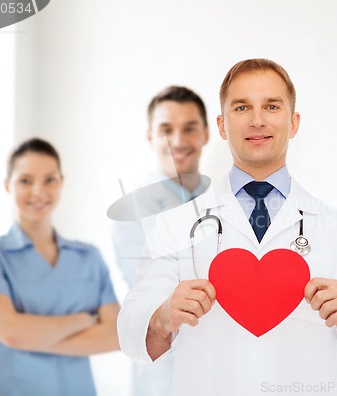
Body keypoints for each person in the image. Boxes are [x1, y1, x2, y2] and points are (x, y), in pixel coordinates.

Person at [117, 58, 337, 396]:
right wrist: (161, 317)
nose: (257, 120)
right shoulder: (176, 225)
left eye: (272, 106)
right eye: (241, 107)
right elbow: (132, 332)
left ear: (294, 123)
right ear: (221, 126)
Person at [0, 138, 120, 396]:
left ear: (61, 183)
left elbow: (116, 335)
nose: (38, 191)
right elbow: (11, 333)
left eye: (49, 179)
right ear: (8, 186)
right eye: (25, 180)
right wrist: (83, 320)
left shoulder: (89, 257)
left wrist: (30, 337)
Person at [111, 86, 210, 395]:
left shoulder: (223, 201)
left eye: (189, 128)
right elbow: (151, 291)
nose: (178, 141)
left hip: (219, 364)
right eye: (166, 129)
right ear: (150, 136)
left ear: (206, 133)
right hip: (163, 372)